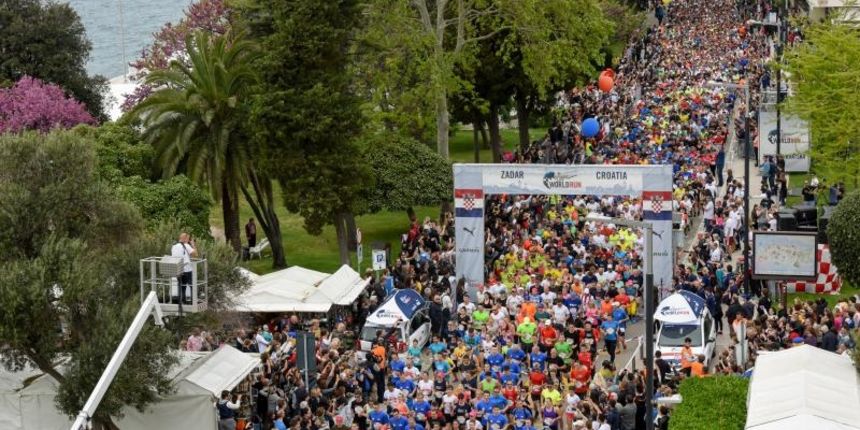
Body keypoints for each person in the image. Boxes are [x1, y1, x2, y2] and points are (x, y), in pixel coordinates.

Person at [170, 232, 197, 304]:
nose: (188, 240)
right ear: (185, 239)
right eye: (188, 239)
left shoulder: (174, 246)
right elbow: (195, 254)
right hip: (187, 269)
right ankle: (193, 302)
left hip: (178, 270)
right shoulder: (186, 245)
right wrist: (193, 245)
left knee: (181, 286)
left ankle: (182, 301)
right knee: (192, 285)